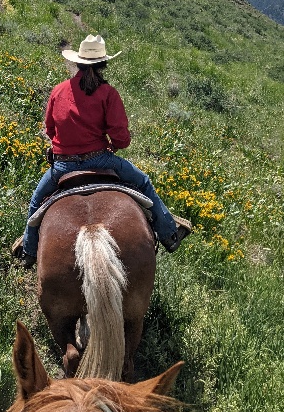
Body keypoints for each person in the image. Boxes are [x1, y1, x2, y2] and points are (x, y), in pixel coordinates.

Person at [13, 34, 191, 268]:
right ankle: (169, 234)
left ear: (77, 62)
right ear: (103, 64)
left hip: (63, 166)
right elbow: (121, 138)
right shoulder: (109, 94)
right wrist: (113, 145)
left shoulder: (58, 92)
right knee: (144, 183)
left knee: (36, 202)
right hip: (100, 159)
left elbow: (49, 128)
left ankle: (28, 252)